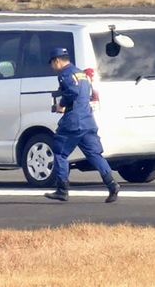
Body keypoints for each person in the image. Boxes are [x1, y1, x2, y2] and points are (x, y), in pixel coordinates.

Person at [45, 44, 119, 203]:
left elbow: (73, 92)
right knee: (94, 154)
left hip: (73, 122)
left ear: (57, 61)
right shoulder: (81, 74)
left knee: (60, 152)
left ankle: (62, 189)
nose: (52, 67)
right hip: (87, 120)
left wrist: (62, 105)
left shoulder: (65, 75)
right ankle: (112, 184)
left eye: (52, 63)